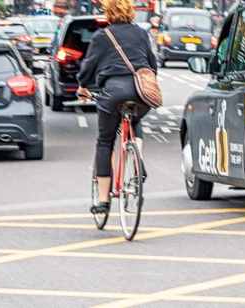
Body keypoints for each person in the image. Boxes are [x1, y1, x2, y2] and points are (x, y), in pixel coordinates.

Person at [76, 0, 156, 214]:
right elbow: (152, 64)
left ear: (108, 12)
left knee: (105, 141)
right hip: (141, 91)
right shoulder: (141, 33)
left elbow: (88, 67)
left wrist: (83, 85)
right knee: (136, 119)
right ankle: (137, 160)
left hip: (113, 93)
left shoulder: (102, 36)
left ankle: (103, 200)